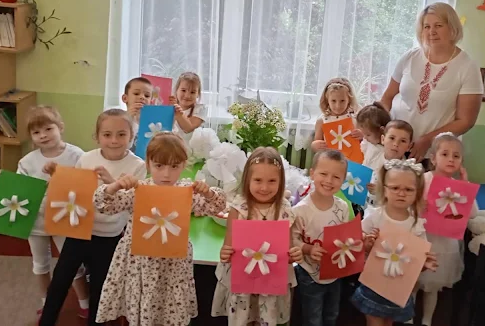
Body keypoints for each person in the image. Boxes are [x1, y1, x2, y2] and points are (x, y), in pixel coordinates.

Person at [94, 132, 226, 325]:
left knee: (170, 310)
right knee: (144, 308)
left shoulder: (186, 191)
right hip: (141, 263)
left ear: (183, 165)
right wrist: (114, 186)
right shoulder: (138, 190)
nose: (166, 174)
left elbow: (217, 206)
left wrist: (208, 193)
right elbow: (103, 205)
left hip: (173, 264)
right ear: (148, 164)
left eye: (174, 166)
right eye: (159, 166)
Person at [39, 109, 147, 326]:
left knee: (100, 287)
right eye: (107, 134)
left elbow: (135, 204)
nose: (114, 140)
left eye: (121, 134)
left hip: (110, 236)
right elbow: (73, 189)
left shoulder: (138, 166)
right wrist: (56, 175)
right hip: (80, 230)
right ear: (97, 137)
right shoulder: (87, 158)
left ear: (132, 136)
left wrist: (112, 183)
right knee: (60, 280)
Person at [0, 105, 89, 319]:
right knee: (40, 264)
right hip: (35, 221)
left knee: (73, 264)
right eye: (36, 132)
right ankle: (48, 304)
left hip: (65, 219)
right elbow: (18, 189)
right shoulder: (27, 161)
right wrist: (3, 180)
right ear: (31, 136)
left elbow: (85, 184)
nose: (43, 135)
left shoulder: (77, 155)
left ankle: (85, 303)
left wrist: (59, 175)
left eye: (48, 129)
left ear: (60, 127)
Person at [379, 3, 483, 162]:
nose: (431, 31)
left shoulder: (468, 67)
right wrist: (385, 131)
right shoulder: (409, 57)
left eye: (438, 26)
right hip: (393, 150)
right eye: (426, 26)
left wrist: (428, 140)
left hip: (432, 155)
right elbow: (387, 97)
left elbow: (466, 121)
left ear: (452, 28)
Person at [211, 147, 303, 325]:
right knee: (243, 318)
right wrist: (225, 253)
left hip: (271, 280)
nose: (264, 187)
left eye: (272, 181)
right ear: (248, 179)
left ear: (281, 181)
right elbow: (227, 247)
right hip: (243, 279)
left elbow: (289, 251)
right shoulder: (239, 208)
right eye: (258, 180)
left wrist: (295, 254)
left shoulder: (285, 210)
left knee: (266, 317)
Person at [351, 159, 437, 326]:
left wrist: (424, 264)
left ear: (417, 192)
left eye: (408, 189)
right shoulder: (375, 216)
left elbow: (419, 257)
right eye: (395, 188)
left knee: (389, 321)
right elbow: (356, 238)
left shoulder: (416, 224)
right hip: (374, 284)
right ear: (384, 189)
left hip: (398, 287)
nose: (401, 193)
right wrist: (366, 243)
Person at [417, 132, 478, 326]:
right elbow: (409, 203)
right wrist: (419, 205)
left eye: (456, 156)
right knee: (412, 281)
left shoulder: (458, 186)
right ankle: (408, 317)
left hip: (443, 244)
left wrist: (465, 186)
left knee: (433, 285)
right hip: (421, 237)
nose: (451, 159)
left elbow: (473, 213)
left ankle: (427, 320)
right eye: (445, 154)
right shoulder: (423, 179)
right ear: (433, 158)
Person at [292, 149, 350, 326]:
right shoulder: (300, 210)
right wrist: (308, 249)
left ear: (343, 180)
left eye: (336, 177)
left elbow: (345, 237)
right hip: (309, 274)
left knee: (332, 314)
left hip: (335, 274)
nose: (329, 181)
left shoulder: (342, 207)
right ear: (312, 174)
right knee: (313, 318)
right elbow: (292, 240)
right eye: (323, 174)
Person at [311, 77, 363, 152]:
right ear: (327, 100)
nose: (338, 106)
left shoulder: (355, 119)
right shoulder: (321, 121)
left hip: (351, 158)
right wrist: (314, 145)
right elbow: (316, 144)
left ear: (349, 100)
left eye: (342, 101)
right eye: (333, 101)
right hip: (330, 157)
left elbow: (365, 142)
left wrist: (362, 136)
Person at [168, 71, 207, 141]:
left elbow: (188, 128)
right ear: (176, 90)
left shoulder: (200, 109)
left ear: (198, 94)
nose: (187, 96)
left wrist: (178, 113)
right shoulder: (169, 106)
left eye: (192, 92)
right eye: (183, 90)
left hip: (190, 146)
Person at [121, 76, 153, 153]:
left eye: (147, 96)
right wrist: (129, 119)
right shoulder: (118, 119)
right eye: (136, 93)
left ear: (151, 101)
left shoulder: (153, 122)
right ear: (125, 98)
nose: (142, 97)